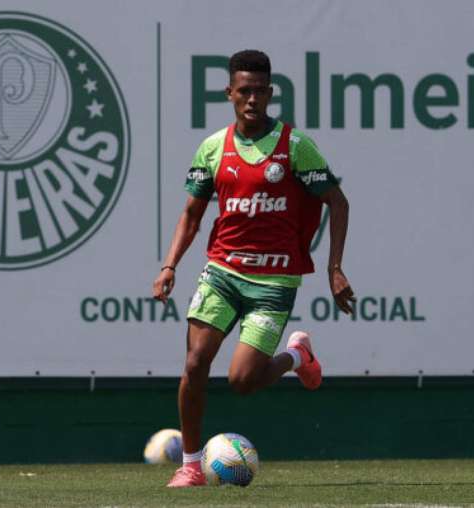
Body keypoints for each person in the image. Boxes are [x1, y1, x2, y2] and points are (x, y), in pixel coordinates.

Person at [152, 49, 354, 487]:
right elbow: (191, 215)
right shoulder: (213, 147)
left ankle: (297, 356)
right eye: (244, 91)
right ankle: (190, 465)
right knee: (194, 362)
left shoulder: (294, 147)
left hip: (273, 282)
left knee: (242, 380)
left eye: (260, 91)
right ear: (229, 93)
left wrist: (334, 269)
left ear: (270, 93)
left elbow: (337, 203)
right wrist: (170, 265)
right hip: (222, 272)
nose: (252, 100)